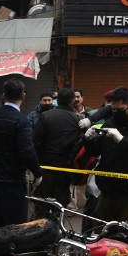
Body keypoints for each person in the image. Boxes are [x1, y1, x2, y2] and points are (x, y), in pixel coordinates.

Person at [81, 86, 128, 227]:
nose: (116, 113)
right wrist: (88, 139)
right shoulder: (111, 122)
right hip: (107, 190)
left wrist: (121, 140)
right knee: (102, 232)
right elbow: (95, 151)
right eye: (113, 110)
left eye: (120, 109)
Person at [0, 78, 41, 227]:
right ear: (23, 96)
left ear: (4, 95)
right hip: (13, 183)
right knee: (15, 226)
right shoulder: (21, 121)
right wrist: (37, 173)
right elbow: (27, 152)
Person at [33, 87, 82, 216]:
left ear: (57, 100)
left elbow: (35, 143)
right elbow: (79, 146)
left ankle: (40, 227)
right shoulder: (78, 120)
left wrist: (35, 168)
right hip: (65, 170)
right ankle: (56, 228)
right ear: (72, 101)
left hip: (45, 169)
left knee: (41, 206)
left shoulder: (46, 116)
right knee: (59, 208)